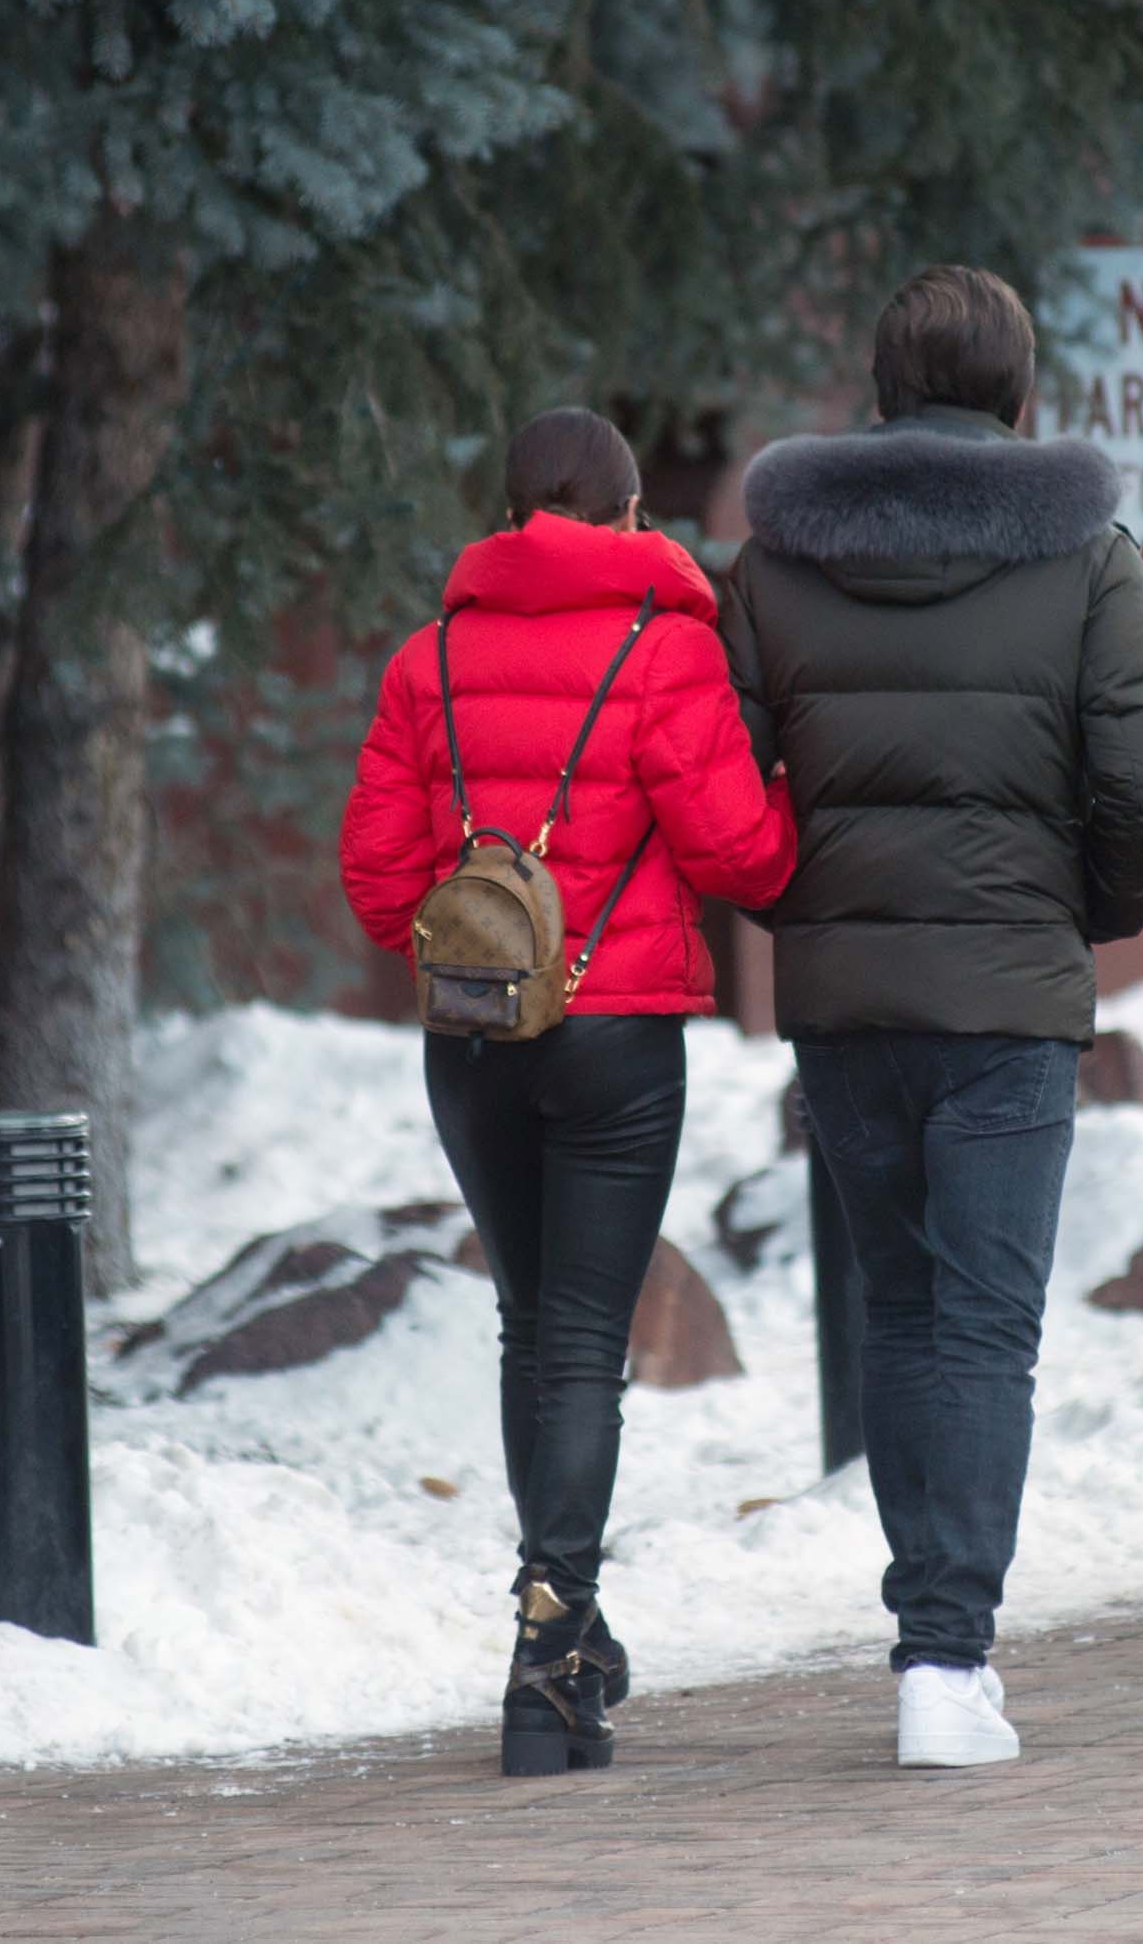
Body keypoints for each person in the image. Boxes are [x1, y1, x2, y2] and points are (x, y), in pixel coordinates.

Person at [721, 266, 1143, 1768]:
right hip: (1006, 993)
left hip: (849, 1004)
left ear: (879, 389)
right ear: (1019, 392)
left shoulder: (775, 568)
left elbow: (720, 794)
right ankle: (947, 1659)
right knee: (987, 1326)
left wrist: (806, 909)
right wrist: (1091, 903)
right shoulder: (1084, 556)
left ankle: (932, 1646)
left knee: (901, 1313)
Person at [340, 407, 797, 1775]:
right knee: (588, 1338)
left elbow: (376, 888)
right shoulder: (665, 650)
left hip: (472, 1037)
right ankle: (552, 1646)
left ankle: (565, 1631)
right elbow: (739, 855)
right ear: (629, 513)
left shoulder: (424, 661)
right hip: (614, 1034)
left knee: (530, 1325)